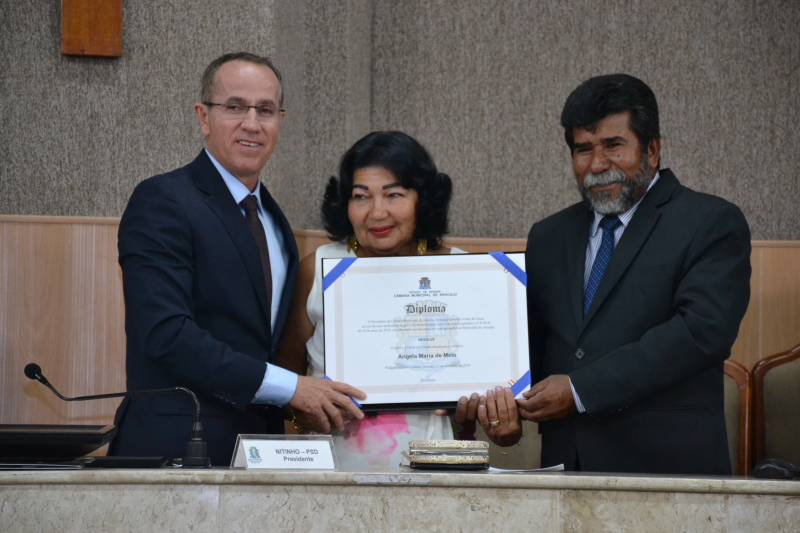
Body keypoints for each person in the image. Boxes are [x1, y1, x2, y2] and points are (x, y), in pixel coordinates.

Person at [109, 52, 364, 466]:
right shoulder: (164, 200)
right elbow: (165, 334)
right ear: (203, 116)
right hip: (177, 449)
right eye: (234, 107)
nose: (252, 123)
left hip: (261, 450)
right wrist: (292, 388)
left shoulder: (275, 221)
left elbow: (268, 343)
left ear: (280, 121)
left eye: (265, 110)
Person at [511, 74, 751, 474]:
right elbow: (533, 347)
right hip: (565, 470)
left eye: (613, 145)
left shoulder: (710, 221)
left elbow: (700, 333)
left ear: (652, 150)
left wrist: (579, 389)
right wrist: (502, 403)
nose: (597, 165)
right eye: (583, 149)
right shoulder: (549, 236)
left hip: (667, 471)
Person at [276, 131, 514, 469]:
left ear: (423, 199)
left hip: (435, 465)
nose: (377, 212)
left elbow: (488, 385)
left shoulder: (461, 272)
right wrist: (304, 415)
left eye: (394, 195)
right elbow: (285, 377)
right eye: (361, 196)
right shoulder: (318, 269)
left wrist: (493, 416)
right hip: (334, 466)